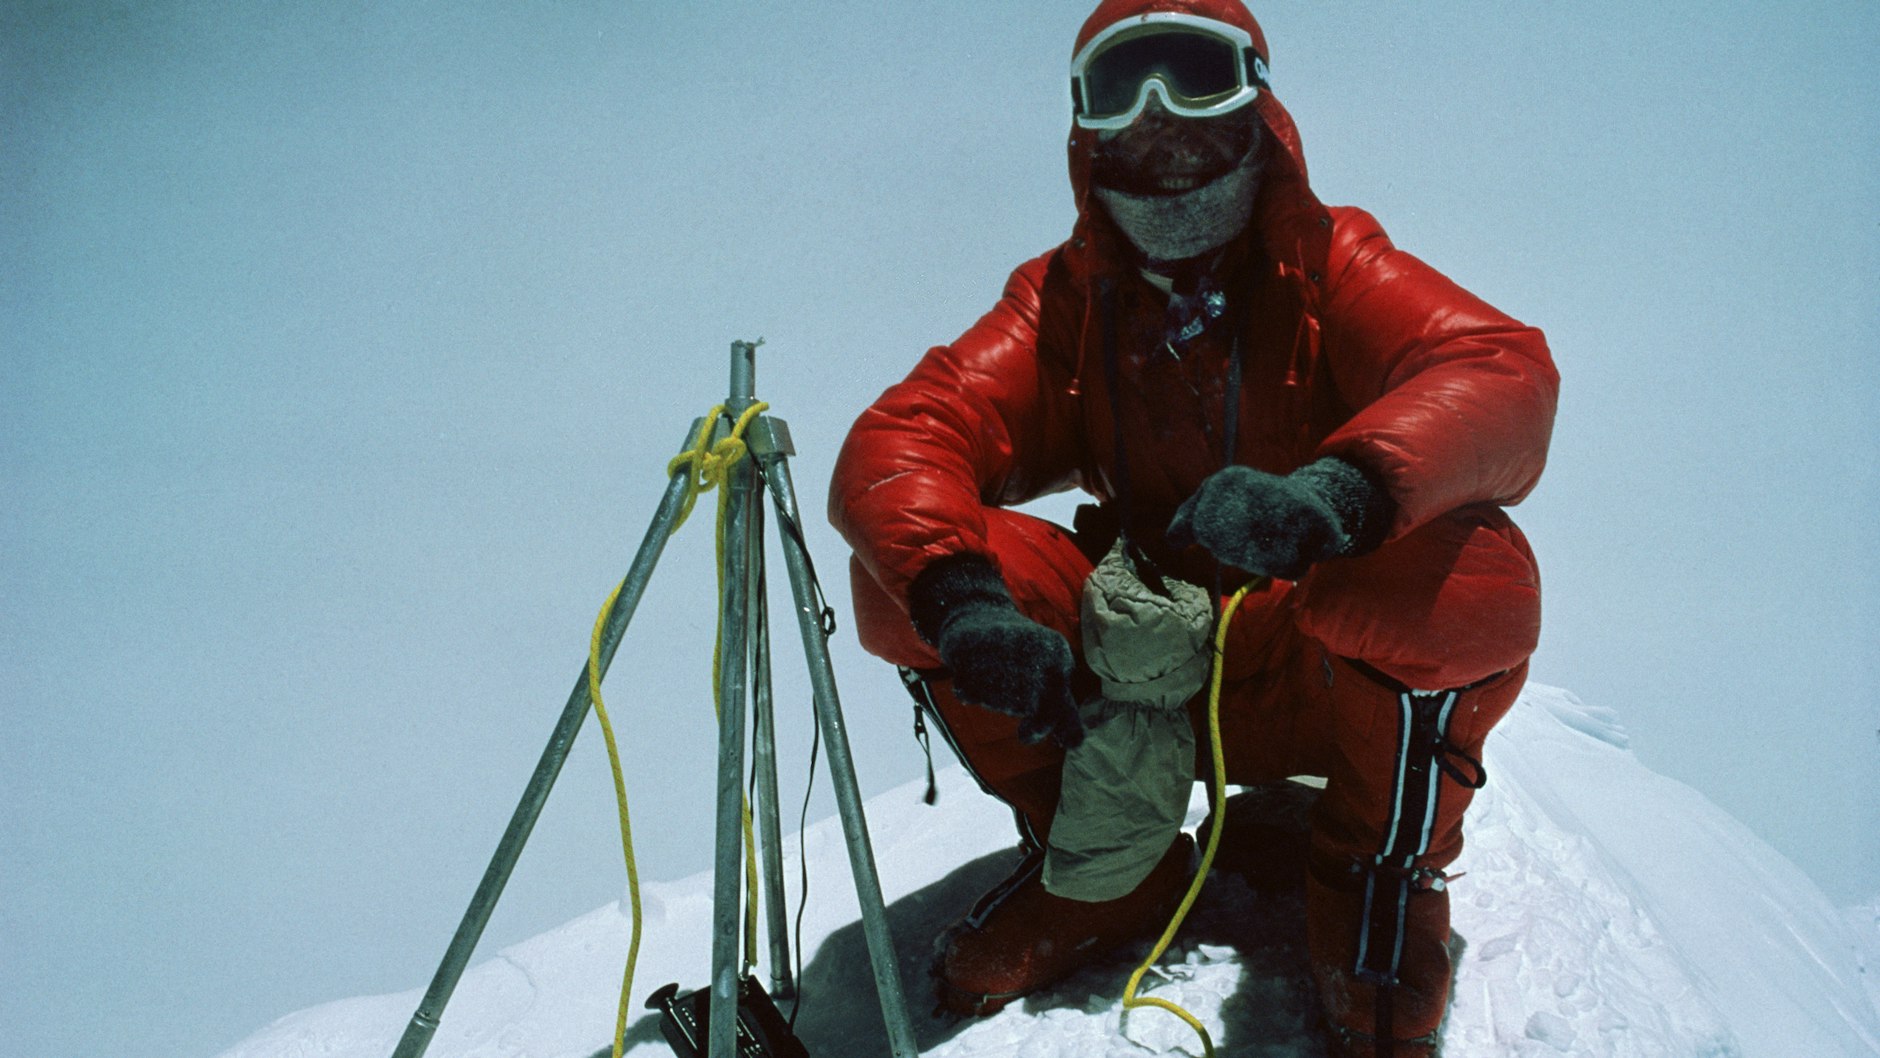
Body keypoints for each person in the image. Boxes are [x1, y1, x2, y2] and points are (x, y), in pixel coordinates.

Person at [827, 1, 1557, 1054]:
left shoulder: (1330, 263)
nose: (1160, 120)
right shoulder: (1066, 300)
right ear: (1083, 127)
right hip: (1145, 665)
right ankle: (1101, 865)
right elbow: (912, 433)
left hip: (1310, 663)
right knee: (913, 573)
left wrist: (1335, 495)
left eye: (1193, 76)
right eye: (1121, 90)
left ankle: (1374, 876)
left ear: (1257, 101)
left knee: (1468, 577)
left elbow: (1496, 369)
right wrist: (964, 602)